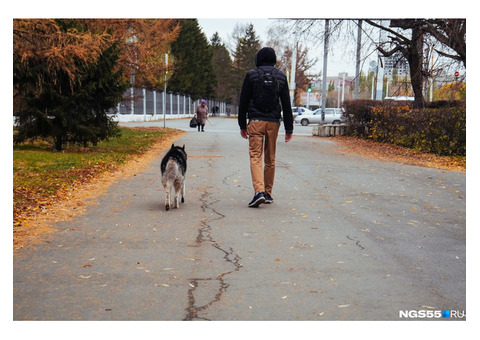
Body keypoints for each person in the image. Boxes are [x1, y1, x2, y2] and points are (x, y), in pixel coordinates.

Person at [238, 47, 293, 208]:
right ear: (273, 60)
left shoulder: (251, 75)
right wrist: (289, 129)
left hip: (255, 121)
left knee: (256, 156)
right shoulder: (281, 77)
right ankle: (268, 193)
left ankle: (259, 192)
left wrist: (242, 125)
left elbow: (243, 102)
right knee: (270, 158)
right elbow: (286, 104)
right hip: (273, 122)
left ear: (258, 59)